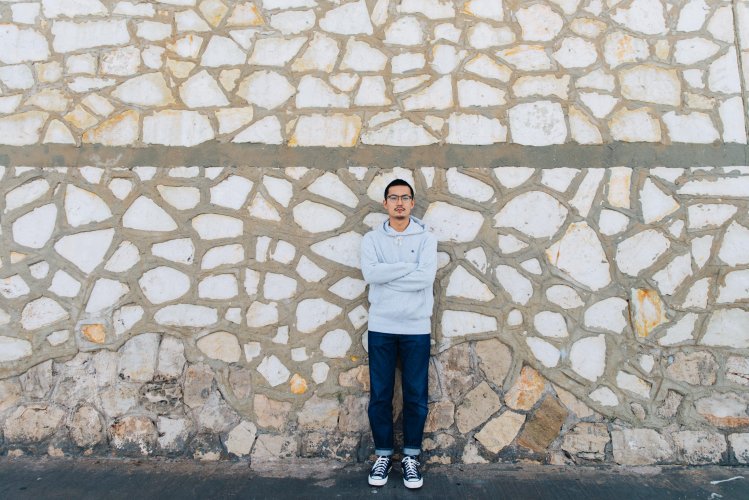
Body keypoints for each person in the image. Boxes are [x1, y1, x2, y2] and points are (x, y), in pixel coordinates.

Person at [360, 178, 438, 489]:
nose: (400, 203)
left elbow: (425, 278)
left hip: (416, 327)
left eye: (405, 197)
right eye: (394, 198)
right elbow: (370, 274)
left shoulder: (426, 239)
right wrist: (409, 267)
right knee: (380, 395)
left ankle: (410, 457)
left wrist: (388, 274)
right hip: (381, 326)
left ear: (412, 203)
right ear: (385, 204)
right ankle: (382, 455)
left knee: (415, 396)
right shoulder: (371, 239)